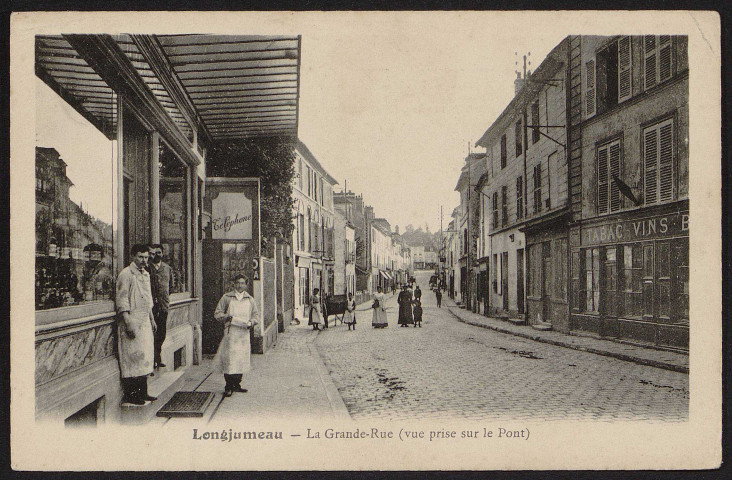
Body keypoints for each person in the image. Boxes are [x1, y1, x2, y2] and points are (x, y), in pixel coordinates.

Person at [115, 244, 157, 407]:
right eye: (140, 257)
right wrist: (127, 321)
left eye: (146, 257)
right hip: (132, 320)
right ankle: (131, 395)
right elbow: (122, 298)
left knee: (145, 356)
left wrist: (151, 319)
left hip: (145, 321)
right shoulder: (126, 274)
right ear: (133, 256)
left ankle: (143, 392)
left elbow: (147, 300)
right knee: (133, 357)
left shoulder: (145, 274)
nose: (144, 260)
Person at [213, 274, 259, 397]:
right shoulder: (227, 298)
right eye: (238, 283)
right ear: (234, 284)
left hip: (243, 334)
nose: (240, 285)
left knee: (241, 359)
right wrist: (227, 317)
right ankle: (228, 386)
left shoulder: (250, 299)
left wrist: (251, 323)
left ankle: (237, 384)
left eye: (242, 283)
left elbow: (256, 316)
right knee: (230, 359)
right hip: (231, 333)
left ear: (246, 285)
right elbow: (217, 313)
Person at [148, 243, 172, 369]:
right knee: (151, 333)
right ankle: (153, 359)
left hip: (163, 306)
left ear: (162, 253)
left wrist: (165, 300)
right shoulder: (147, 268)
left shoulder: (167, 268)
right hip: (151, 307)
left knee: (161, 333)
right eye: (154, 253)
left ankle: (158, 356)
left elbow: (171, 287)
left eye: (159, 252)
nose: (157, 255)